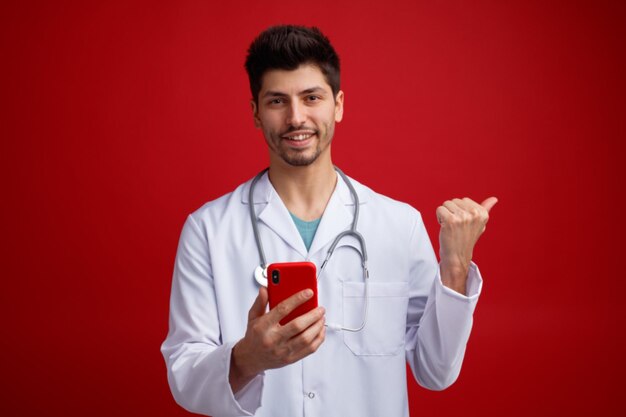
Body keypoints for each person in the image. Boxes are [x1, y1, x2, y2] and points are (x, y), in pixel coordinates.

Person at [161, 25, 497, 417]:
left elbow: (436, 370)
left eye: (311, 97)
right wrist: (245, 359)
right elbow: (183, 374)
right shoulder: (208, 230)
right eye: (276, 101)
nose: (296, 117)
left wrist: (455, 267)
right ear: (255, 113)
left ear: (337, 104)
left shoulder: (398, 225)